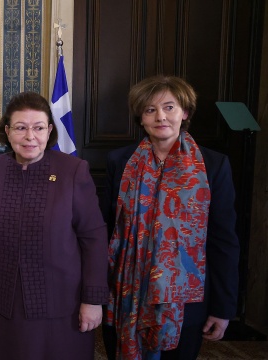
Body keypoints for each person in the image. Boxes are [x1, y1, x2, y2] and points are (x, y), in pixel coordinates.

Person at [0, 92, 109, 360]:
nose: (30, 136)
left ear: (49, 130)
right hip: (2, 303)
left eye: (38, 127)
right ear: (7, 131)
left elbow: (94, 238)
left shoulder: (73, 171)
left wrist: (93, 298)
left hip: (63, 306)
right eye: (20, 127)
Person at [102, 75, 240, 359]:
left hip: (186, 304)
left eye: (169, 107)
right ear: (141, 117)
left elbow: (223, 240)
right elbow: (105, 230)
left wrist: (223, 308)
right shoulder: (120, 161)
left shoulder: (214, 165)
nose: (160, 116)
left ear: (185, 113)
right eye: (150, 109)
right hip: (126, 296)